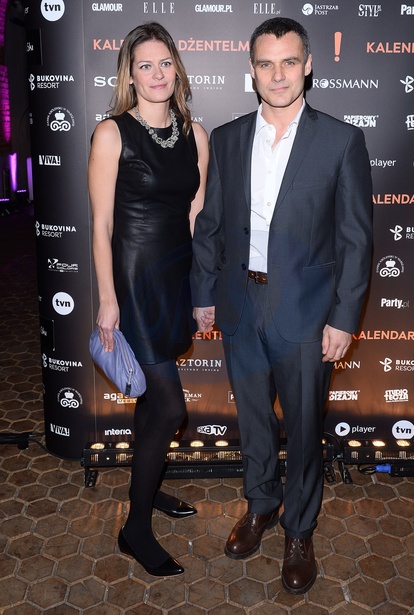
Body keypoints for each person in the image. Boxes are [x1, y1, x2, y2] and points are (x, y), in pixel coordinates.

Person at [190, 17, 372, 594]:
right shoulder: (227, 138)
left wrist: (343, 317)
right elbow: (210, 225)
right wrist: (203, 294)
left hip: (308, 311)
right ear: (251, 70)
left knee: (304, 425)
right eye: (265, 64)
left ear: (308, 65)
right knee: (253, 420)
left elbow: (356, 240)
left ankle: (299, 530)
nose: (277, 75)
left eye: (288, 62)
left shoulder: (341, 140)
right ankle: (261, 504)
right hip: (240, 304)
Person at [88, 22, 209, 577]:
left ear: (176, 69)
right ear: (130, 75)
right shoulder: (111, 133)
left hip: (175, 278)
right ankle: (134, 528)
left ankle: (148, 485)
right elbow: (101, 224)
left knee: (150, 403)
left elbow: (195, 217)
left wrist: (200, 289)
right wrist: (107, 298)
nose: (157, 74)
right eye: (145, 65)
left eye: (165, 63)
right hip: (134, 282)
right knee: (170, 407)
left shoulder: (195, 134)